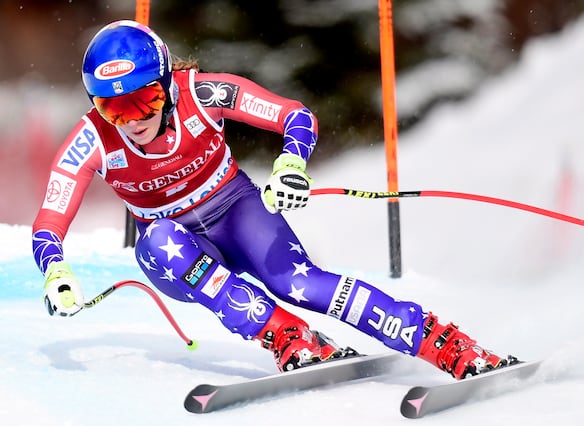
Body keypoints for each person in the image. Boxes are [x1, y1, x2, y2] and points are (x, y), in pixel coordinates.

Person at [32, 20, 515, 378]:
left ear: (166, 87)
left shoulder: (202, 93)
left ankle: (444, 344)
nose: (132, 118)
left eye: (145, 99)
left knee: (300, 284)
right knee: (158, 241)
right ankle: (286, 335)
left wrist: (290, 164)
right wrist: (54, 270)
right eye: (112, 106)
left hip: (237, 210)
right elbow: (49, 219)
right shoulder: (92, 139)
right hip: (178, 251)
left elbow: (295, 116)